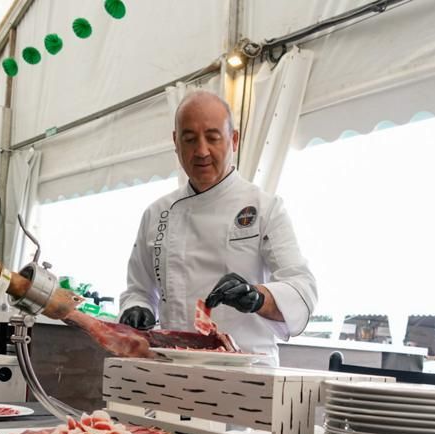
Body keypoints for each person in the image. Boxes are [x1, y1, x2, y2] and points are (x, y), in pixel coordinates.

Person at [119, 91, 317, 364]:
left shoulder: (265, 208)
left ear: (233, 140)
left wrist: (256, 297)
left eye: (212, 138)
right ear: (176, 143)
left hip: (248, 373)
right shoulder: (156, 214)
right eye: (190, 140)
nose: (201, 151)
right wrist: (136, 309)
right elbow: (138, 289)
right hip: (173, 368)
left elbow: (302, 289)